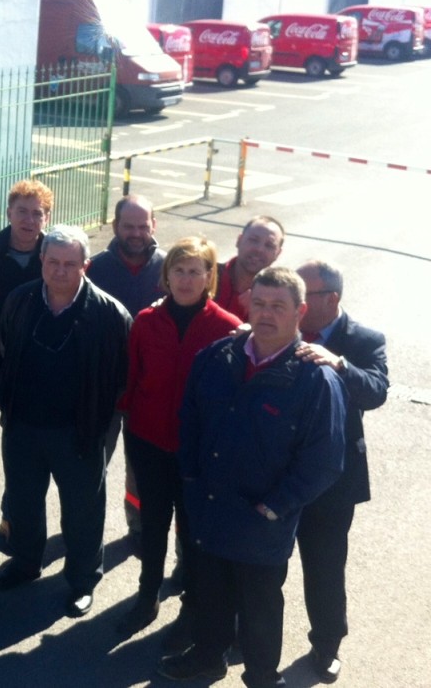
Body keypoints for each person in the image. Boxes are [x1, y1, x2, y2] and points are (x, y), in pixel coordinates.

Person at [159, 267, 346, 688]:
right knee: (209, 591)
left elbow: (325, 462)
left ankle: (262, 677)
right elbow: (189, 420)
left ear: (299, 311)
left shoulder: (316, 379)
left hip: (263, 520)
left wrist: (276, 506)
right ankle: (208, 657)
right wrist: (190, 478)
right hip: (209, 506)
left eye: (278, 306)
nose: (266, 314)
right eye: (258, 303)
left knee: (260, 607)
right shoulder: (216, 357)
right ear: (246, 304)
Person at [0, 225, 131, 619]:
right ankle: (24, 563)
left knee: (83, 510)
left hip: (80, 432)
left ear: (85, 264)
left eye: (70, 263)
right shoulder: (19, 301)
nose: (60, 271)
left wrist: (100, 427)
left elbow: (122, 378)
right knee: (23, 502)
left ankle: (83, 580)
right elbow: (3, 350)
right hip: (22, 427)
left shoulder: (110, 314)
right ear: (42, 261)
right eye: (53, 262)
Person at [115, 236, 241, 641]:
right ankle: (147, 595)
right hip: (149, 442)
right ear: (166, 275)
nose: (186, 279)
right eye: (178, 270)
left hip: (200, 453)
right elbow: (130, 382)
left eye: (195, 271)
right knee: (152, 527)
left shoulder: (229, 329)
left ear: (209, 277)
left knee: (193, 532)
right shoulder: (147, 321)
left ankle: (191, 605)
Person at [294, 260, 388, 684]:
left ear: (330, 299)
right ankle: (247, 636)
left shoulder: (364, 340)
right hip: (276, 469)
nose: (293, 303)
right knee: (260, 565)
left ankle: (327, 644)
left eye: (304, 295)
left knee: (325, 566)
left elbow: (375, 392)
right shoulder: (283, 325)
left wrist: (340, 365)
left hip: (332, 478)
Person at [0, 178, 53, 549]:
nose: (28, 219)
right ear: (8, 213)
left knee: (20, 450)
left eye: (36, 213)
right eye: (21, 211)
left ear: (46, 217)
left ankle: (11, 514)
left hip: (33, 372)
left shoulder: (52, 257)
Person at [87, 194, 166, 550]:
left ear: (154, 226)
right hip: (103, 387)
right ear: (115, 226)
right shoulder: (96, 268)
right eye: (128, 226)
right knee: (92, 465)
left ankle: (137, 527)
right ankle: (85, 526)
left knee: (142, 470)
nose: (136, 233)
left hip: (149, 391)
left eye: (142, 226)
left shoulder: (169, 268)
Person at [213, 216, 285, 321]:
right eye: (253, 240)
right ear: (239, 241)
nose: (259, 249)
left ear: (278, 253)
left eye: (269, 245)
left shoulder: (280, 298)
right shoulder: (206, 277)